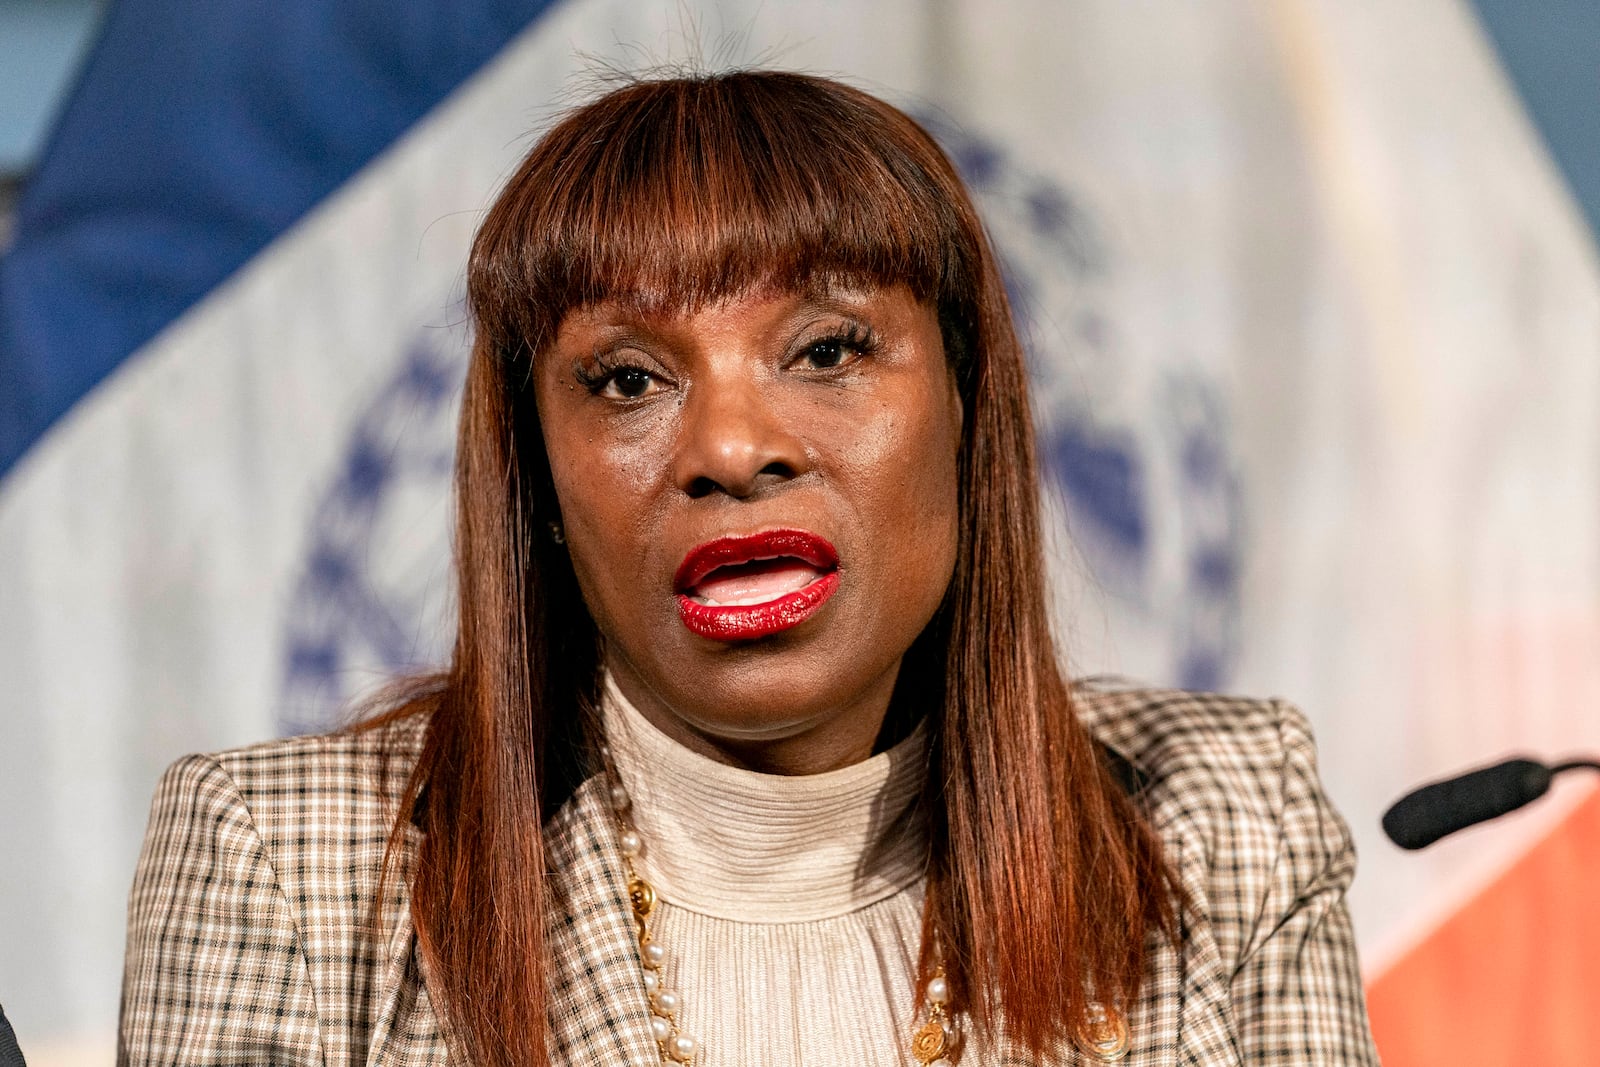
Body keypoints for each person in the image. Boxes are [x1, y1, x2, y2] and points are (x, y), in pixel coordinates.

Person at [119, 71, 1379, 1066]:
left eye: (827, 350)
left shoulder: (1220, 819)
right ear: (540, 480)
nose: (730, 447)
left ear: (965, 408)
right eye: (627, 380)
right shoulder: (287, 856)